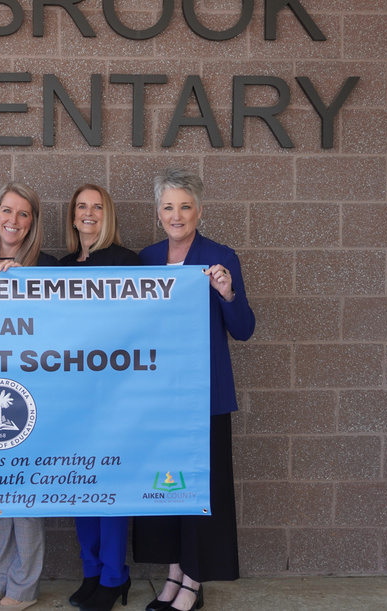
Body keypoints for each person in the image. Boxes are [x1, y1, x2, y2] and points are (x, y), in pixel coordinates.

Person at [132, 168, 255, 611]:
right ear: (158, 213)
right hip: (158, 399)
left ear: (199, 211)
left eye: (185, 206)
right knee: (167, 490)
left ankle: (193, 583)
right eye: (168, 207)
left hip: (204, 399)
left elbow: (243, 329)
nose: (177, 215)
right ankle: (173, 575)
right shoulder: (146, 259)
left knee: (201, 492)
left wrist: (227, 293)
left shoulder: (219, 256)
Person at [0, 182, 56, 611]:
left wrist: (25, 280)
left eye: (24, 213)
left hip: (33, 393)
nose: (14, 220)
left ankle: (23, 586)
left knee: (25, 494)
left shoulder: (49, 267)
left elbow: (61, 327)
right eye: (7, 210)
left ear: (33, 222)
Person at [59, 184, 139, 611]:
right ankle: (91, 572)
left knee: (109, 487)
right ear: (73, 216)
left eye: (97, 207)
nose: (88, 214)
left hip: (113, 395)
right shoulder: (61, 267)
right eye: (81, 207)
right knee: (79, 485)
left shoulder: (128, 263)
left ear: (107, 215)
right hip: (71, 397)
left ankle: (113, 576)